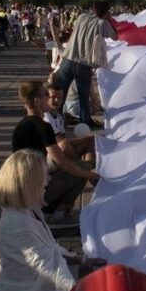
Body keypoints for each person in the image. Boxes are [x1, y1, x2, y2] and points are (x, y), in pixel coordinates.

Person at [0, 149, 83, 291]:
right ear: (28, 184)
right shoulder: (19, 222)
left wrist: (75, 257)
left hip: (22, 284)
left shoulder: (24, 209)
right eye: (43, 177)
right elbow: (45, 269)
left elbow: (46, 247)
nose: (47, 181)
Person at [11, 81, 99, 225]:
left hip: (23, 192)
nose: (50, 99)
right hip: (34, 194)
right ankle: (58, 213)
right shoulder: (42, 126)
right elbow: (61, 162)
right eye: (46, 95)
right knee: (81, 168)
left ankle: (53, 210)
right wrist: (90, 175)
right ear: (37, 100)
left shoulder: (22, 125)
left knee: (76, 167)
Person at [53, 0, 117, 129]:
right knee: (83, 97)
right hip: (83, 64)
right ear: (106, 12)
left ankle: (57, 121)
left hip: (68, 59)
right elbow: (115, 37)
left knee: (61, 93)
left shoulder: (82, 17)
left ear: (93, 8)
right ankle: (84, 123)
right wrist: (109, 20)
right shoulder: (102, 24)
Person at [44, 81, 96, 165]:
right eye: (53, 97)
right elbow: (61, 142)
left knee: (89, 142)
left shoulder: (59, 117)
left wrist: (86, 139)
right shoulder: (46, 117)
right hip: (46, 159)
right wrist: (84, 139)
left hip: (58, 154)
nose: (57, 100)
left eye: (60, 97)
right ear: (46, 98)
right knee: (64, 145)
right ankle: (79, 169)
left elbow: (65, 140)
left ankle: (87, 167)